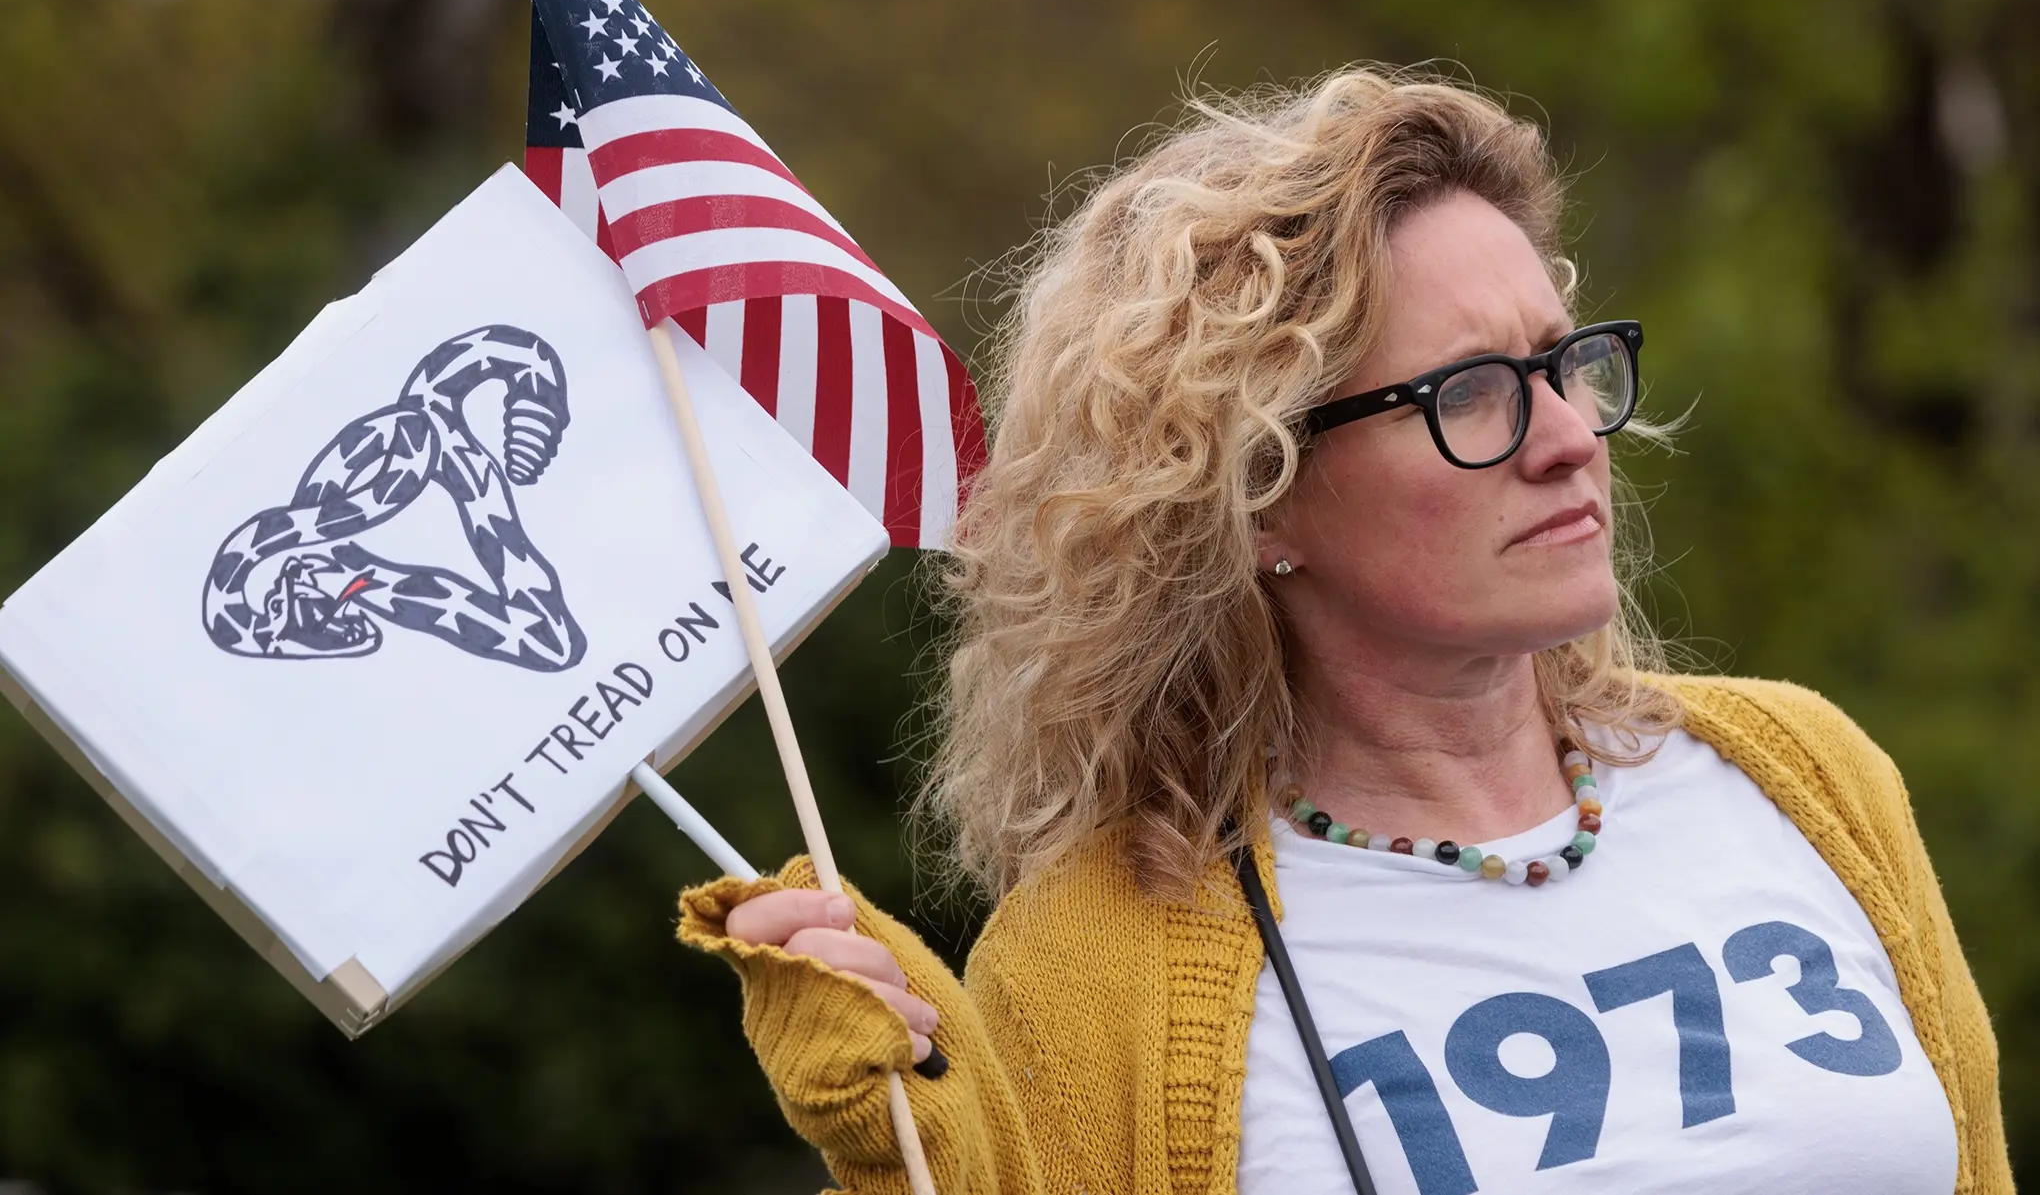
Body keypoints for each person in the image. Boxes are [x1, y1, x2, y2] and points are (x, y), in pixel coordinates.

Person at [677, 69, 2010, 1194]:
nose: (1565, 442)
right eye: (1473, 393)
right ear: (1255, 497)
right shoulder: (1098, 967)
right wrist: (915, 1155)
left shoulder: (1806, 776)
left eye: (1562, 366)